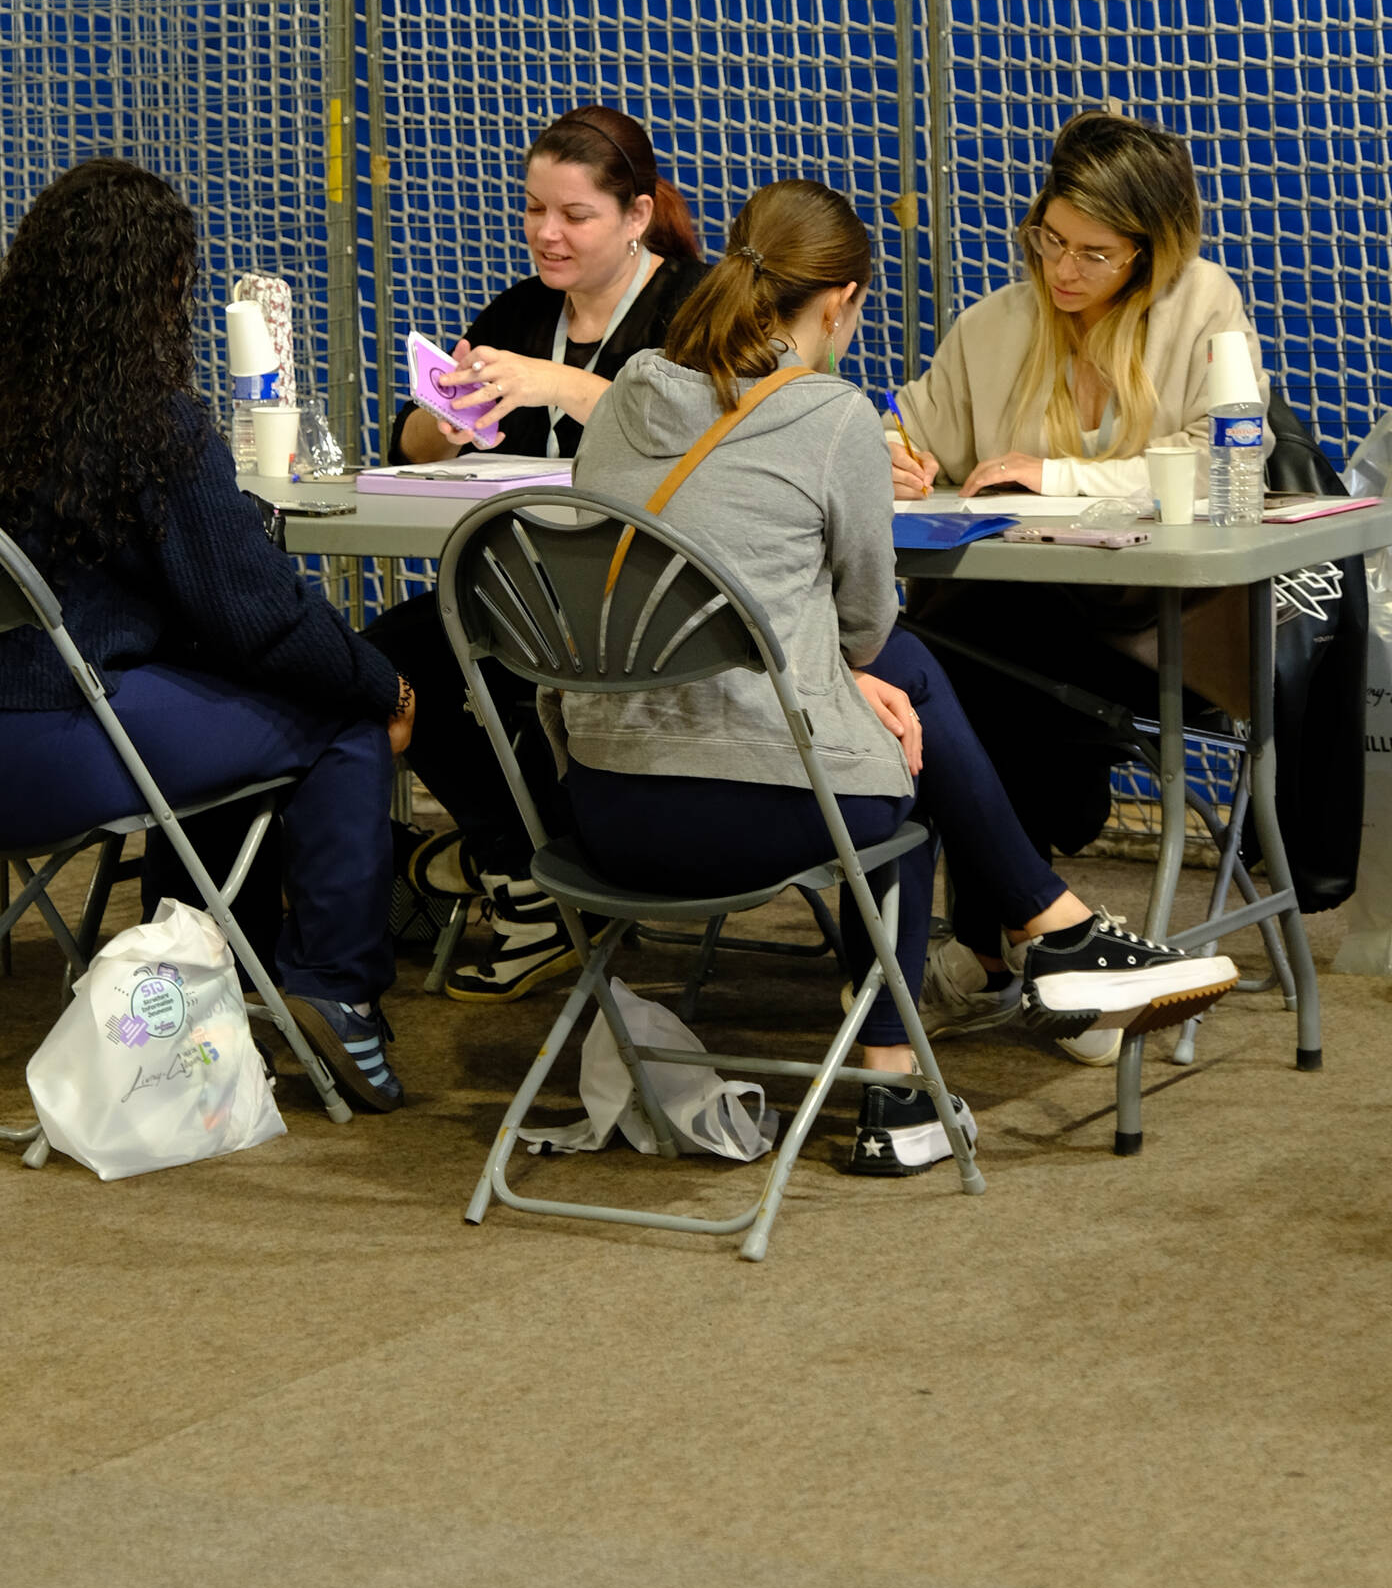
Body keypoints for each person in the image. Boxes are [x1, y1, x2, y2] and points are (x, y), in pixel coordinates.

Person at [561, 178, 1238, 1175]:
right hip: (751, 812)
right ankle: (968, 1017)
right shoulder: (829, 414)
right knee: (895, 744)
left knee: (890, 707)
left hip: (597, 806)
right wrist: (846, 678)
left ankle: (1025, 961)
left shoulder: (626, 394)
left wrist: (837, 675)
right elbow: (868, 628)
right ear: (841, 301)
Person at [0, 158, 411, 1114]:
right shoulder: (151, 424)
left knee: (214, 701)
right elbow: (263, 618)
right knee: (336, 716)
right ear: (164, 286)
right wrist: (385, 684)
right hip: (49, 755)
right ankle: (336, 987)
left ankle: (203, 974)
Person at [888, 110, 1269, 1061]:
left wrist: (1053, 475)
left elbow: (1222, 460)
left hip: (1155, 632)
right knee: (954, 648)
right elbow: (914, 433)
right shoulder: (995, 323)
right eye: (1049, 240)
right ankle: (1044, 940)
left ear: (1151, 251)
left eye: (1094, 254)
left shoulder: (1204, 305)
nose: (1062, 269)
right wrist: (895, 456)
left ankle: (1001, 941)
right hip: (1017, 632)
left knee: (939, 657)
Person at [367, 104, 707, 1002]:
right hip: (528, 592)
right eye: (533, 210)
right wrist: (439, 428)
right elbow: (409, 441)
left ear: (636, 216)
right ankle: (520, 869)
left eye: (574, 215)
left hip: (654, 597)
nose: (547, 233)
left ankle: (525, 865)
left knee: (499, 669)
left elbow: (710, 433)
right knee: (386, 657)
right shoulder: (522, 310)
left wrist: (560, 384)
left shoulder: (696, 306)